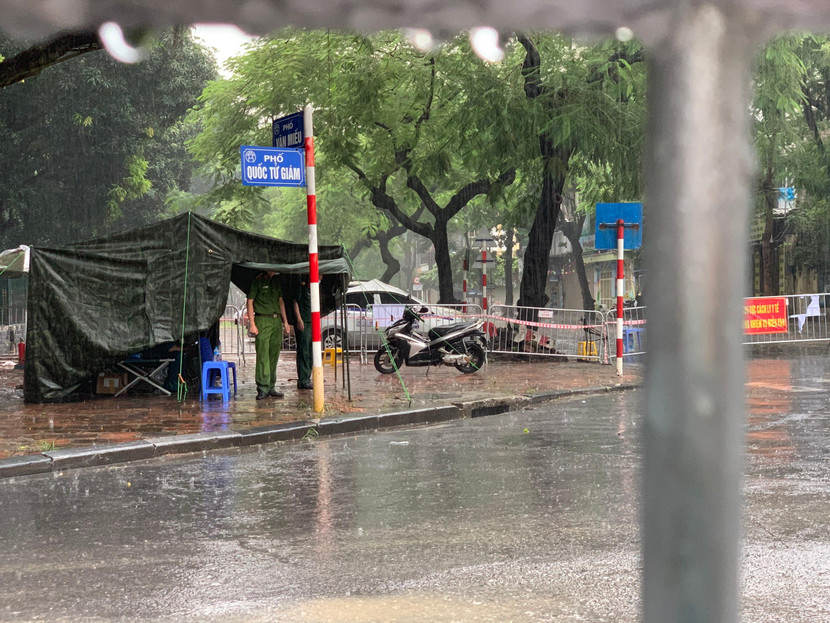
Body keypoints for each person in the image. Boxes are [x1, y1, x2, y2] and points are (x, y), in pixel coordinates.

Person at [247, 270, 291, 400]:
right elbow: (250, 301)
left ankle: (271, 386)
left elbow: (280, 301)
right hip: (262, 319)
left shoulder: (276, 281)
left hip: (276, 320)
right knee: (263, 355)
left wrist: (285, 322)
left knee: (274, 354)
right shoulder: (258, 281)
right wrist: (252, 324)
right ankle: (262, 387)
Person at [290, 275, 313, 390]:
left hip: (311, 322)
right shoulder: (302, 288)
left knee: (310, 351)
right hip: (304, 322)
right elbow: (295, 303)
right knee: (304, 351)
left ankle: (307, 377)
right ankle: (303, 379)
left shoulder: (313, 289)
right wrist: (299, 319)